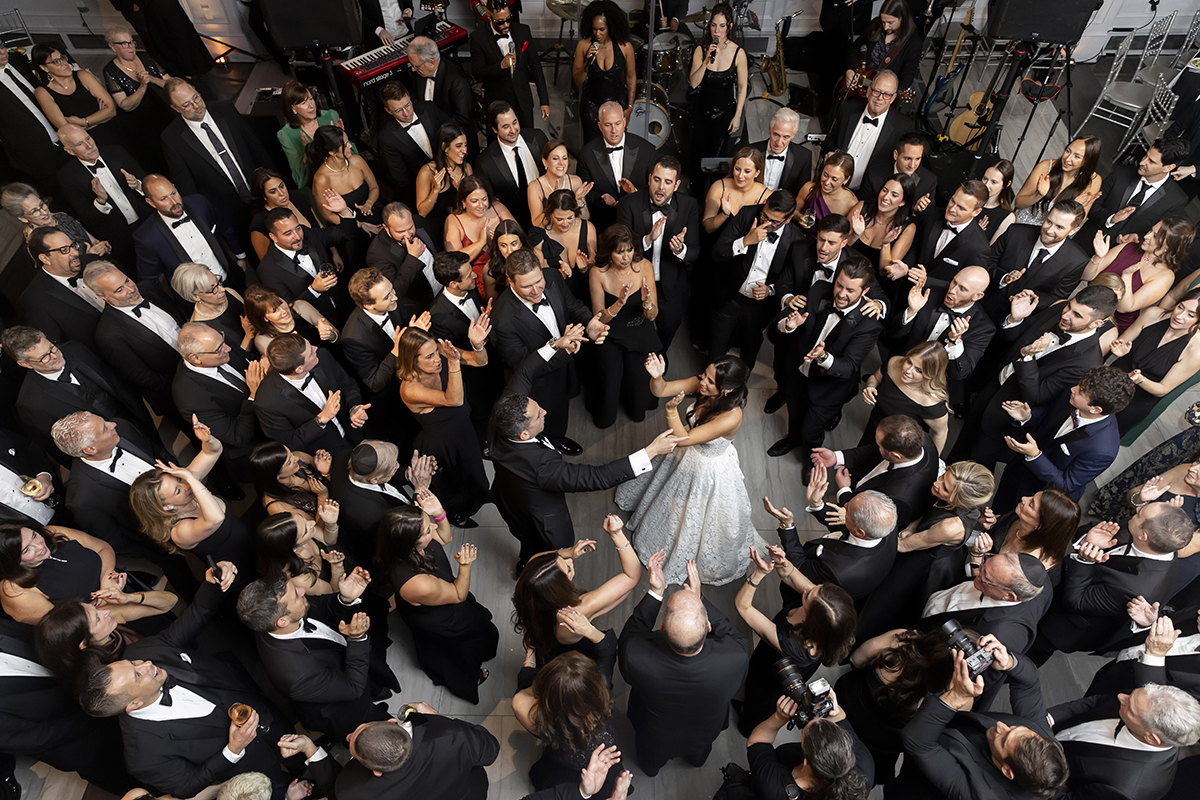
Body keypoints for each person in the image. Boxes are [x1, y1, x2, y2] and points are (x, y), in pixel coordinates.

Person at [76, 564, 300, 800]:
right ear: (134, 704)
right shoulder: (144, 757)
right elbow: (188, 785)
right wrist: (232, 750)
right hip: (250, 766)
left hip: (259, 706)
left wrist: (214, 580)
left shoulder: (142, 651)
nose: (146, 664)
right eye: (138, 675)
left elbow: (196, 615)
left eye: (133, 664)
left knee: (302, 754)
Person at [489, 392, 679, 570]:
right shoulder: (542, 467)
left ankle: (525, 563)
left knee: (526, 539)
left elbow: (523, 375)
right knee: (551, 554)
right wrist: (652, 451)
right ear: (524, 435)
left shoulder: (500, 422)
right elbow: (597, 477)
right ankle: (536, 571)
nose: (544, 411)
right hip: (542, 520)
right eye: (539, 414)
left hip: (507, 498)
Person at [616, 354, 760, 585]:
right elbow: (661, 390)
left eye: (710, 381)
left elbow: (683, 439)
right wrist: (657, 377)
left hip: (706, 468)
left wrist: (672, 411)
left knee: (687, 514)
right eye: (704, 375)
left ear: (727, 389)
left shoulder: (732, 416)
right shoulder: (702, 385)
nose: (702, 382)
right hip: (685, 452)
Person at [949, 286, 1118, 469]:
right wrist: (1015, 319)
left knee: (973, 467)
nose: (1066, 315)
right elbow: (1015, 338)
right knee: (958, 448)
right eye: (1069, 306)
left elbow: (1035, 396)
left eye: (1077, 315)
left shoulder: (1086, 363)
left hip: (1007, 414)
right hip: (991, 387)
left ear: (1096, 324)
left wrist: (1028, 357)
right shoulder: (1058, 310)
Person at [618, 553, 750, 777]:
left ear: (661, 626)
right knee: (699, 756)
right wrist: (699, 597)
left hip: (655, 734)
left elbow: (631, 634)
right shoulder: (735, 656)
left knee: (650, 764)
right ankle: (696, 761)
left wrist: (656, 591)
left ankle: (651, 770)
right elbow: (731, 633)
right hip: (704, 731)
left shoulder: (635, 657)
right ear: (709, 627)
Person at [50, 412, 201, 598]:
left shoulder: (122, 427)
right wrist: (156, 551)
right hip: (158, 539)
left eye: (105, 422)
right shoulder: (82, 499)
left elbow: (158, 453)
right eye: (104, 429)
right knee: (183, 575)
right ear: (90, 449)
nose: (112, 424)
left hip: (191, 502)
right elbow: (116, 540)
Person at [236, 567, 394, 739]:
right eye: (296, 595)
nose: (302, 591)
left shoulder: (277, 616)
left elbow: (320, 605)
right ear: (283, 621)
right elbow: (353, 687)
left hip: (346, 667)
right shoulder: (298, 676)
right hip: (344, 710)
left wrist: (344, 599)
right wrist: (357, 639)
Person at [894, 644, 1069, 800]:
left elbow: (918, 742)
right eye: (1015, 728)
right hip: (950, 728)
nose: (1000, 726)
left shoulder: (981, 794)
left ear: (1007, 771)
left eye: (1004, 738)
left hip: (919, 783)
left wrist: (956, 697)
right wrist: (1008, 662)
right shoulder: (1045, 745)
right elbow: (1029, 683)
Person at [1032, 503, 1194, 662]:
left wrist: (1085, 560)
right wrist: (1087, 541)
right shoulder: (1143, 530)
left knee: (1031, 649)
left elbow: (1076, 601)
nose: (1137, 509)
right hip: (1052, 581)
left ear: (1143, 536)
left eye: (1140, 513)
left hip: (1061, 622)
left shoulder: (1137, 588)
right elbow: (1091, 529)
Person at [375, 501, 498, 703]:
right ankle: (468, 677)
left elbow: (444, 537)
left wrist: (440, 513)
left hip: (440, 595)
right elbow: (458, 594)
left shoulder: (405, 548)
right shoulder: (418, 584)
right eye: (427, 530)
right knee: (458, 647)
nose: (433, 526)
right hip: (440, 616)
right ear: (410, 543)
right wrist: (465, 566)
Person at [768, 256, 884, 466]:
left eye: (850, 290)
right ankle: (792, 440)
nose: (841, 294)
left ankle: (810, 462)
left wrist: (823, 357)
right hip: (797, 372)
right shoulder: (819, 289)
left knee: (811, 431)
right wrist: (788, 324)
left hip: (829, 388)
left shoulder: (869, 324)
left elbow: (849, 367)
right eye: (839, 285)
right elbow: (783, 318)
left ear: (865, 291)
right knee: (794, 414)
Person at [490, 249, 608, 453]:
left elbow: (573, 306)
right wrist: (565, 351)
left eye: (538, 281)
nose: (536, 291)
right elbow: (524, 368)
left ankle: (557, 439)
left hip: (565, 368)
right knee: (545, 420)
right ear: (510, 282)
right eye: (527, 286)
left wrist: (589, 323)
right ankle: (549, 450)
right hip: (539, 384)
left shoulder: (552, 276)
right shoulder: (502, 320)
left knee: (561, 411)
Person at [734, 552, 857, 736]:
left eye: (808, 596)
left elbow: (743, 606)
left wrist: (758, 574)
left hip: (772, 676)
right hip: (770, 654)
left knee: (759, 700)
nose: (807, 589)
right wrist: (781, 562)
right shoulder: (823, 604)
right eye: (816, 587)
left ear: (810, 620)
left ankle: (747, 725)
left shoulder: (794, 646)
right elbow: (790, 574)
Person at [5, 325, 156, 464]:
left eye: (52, 348)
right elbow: (62, 451)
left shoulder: (75, 349)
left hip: (138, 420)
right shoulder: (31, 403)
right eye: (44, 357)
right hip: (114, 452)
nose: (54, 356)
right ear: (25, 364)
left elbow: (115, 381)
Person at [511, 514, 640, 676]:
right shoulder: (579, 608)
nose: (569, 561)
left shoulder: (528, 584)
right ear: (560, 587)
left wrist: (568, 552)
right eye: (567, 568)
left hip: (544, 639)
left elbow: (535, 559)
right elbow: (632, 576)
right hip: (571, 654)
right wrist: (616, 534)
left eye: (562, 559)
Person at [994, 367, 1135, 511]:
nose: (1073, 389)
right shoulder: (1074, 395)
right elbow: (1050, 411)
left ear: (1095, 409)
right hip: (1019, 469)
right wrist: (1028, 416)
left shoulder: (1103, 450)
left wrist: (1035, 455)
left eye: (1080, 392)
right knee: (998, 507)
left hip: (1039, 495)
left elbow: (1066, 485)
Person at [397, 327, 488, 528]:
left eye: (436, 352)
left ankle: (476, 497)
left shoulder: (441, 353)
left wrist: (477, 344)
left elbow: (479, 361)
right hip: (443, 444)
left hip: (464, 432)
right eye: (429, 356)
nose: (438, 359)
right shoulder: (410, 388)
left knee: (477, 479)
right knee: (455, 485)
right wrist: (453, 362)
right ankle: (455, 514)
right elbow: (454, 400)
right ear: (413, 361)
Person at [834, 628, 953, 781]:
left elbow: (856, 659)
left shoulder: (901, 641)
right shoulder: (946, 699)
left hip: (848, 704)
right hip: (880, 746)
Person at [1050, 683, 1200, 800]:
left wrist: (1039, 754)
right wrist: (1049, 719)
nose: (1121, 697)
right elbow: (1096, 702)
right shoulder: (1140, 700)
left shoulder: (1125, 790)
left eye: (1131, 710)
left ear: (1151, 738)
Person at [160, 78, 272, 230]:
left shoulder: (225, 109)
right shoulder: (172, 138)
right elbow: (186, 185)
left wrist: (273, 180)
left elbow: (254, 147)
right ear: (175, 108)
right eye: (186, 105)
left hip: (262, 193)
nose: (196, 106)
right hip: (227, 213)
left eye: (196, 97)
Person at [614, 157, 699, 355]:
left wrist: (680, 250)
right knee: (633, 330)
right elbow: (618, 249)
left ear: (676, 185)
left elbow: (695, 251)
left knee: (668, 327)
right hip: (635, 281)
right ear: (650, 178)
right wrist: (647, 239)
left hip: (670, 284)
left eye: (668, 182)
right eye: (657, 180)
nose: (661, 187)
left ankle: (658, 358)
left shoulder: (689, 205)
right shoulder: (628, 204)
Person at [84, 259, 187, 422]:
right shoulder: (108, 335)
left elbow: (180, 318)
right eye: (119, 290)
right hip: (176, 394)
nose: (131, 289)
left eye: (127, 281)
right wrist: (189, 380)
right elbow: (144, 378)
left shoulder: (149, 288)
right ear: (102, 296)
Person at [709, 190, 803, 369]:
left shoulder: (796, 240)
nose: (766, 223)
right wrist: (745, 241)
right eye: (764, 216)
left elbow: (791, 281)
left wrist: (770, 290)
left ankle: (740, 383)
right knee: (717, 346)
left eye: (774, 222)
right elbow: (717, 252)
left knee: (749, 350)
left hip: (760, 307)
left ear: (788, 219)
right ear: (764, 203)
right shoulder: (747, 214)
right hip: (730, 295)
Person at [513, 650, 624, 796]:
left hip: (559, 760)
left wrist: (531, 659)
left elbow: (523, 693)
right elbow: (607, 651)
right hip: (598, 763)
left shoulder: (532, 714)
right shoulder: (602, 728)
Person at [770, 480, 899, 603]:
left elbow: (800, 564)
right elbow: (849, 524)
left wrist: (787, 525)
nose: (844, 506)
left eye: (847, 511)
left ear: (859, 532)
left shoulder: (837, 571)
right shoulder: (886, 523)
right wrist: (817, 505)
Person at [326, 709, 499, 800]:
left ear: (377, 771)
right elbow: (491, 751)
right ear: (391, 722)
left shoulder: (351, 792)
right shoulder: (452, 736)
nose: (348, 737)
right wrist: (436, 716)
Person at [129, 449, 256, 571]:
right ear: (166, 506)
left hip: (252, 540)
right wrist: (190, 478)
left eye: (179, 479)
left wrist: (208, 439)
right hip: (239, 566)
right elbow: (216, 519)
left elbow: (212, 451)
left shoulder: (189, 488)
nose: (185, 486)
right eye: (178, 491)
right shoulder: (179, 532)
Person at [888, 265, 994, 411]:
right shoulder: (930, 292)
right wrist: (911, 311)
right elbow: (892, 333)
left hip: (929, 392)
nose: (952, 290)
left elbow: (960, 373)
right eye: (954, 282)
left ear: (977, 296)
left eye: (962, 289)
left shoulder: (983, 327)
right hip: (901, 370)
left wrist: (954, 341)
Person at [34, 585, 180, 688]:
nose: (105, 612)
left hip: (170, 652)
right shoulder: (106, 674)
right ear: (83, 643)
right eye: (97, 619)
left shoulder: (104, 618)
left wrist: (129, 597)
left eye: (95, 609)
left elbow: (171, 601)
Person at [811, 414, 939, 532]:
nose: (877, 446)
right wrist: (837, 457)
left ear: (896, 455)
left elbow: (861, 522)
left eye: (880, 445)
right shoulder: (919, 439)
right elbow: (873, 450)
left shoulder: (900, 498)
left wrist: (844, 490)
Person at [587, 225, 660, 428]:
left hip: (638, 326)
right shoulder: (597, 273)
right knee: (610, 377)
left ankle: (636, 407)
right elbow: (599, 319)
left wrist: (647, 303)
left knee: (638, 376)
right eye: (620, 252)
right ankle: (606, 415)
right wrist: (619, 303)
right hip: (609, 331)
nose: (626, 257)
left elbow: (653, 316)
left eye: (629, 250)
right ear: (609, 252)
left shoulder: (644, 266)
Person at [429, 250, 505, 446]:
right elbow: (452, 354)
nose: (475, 276)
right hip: (473, 375)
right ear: (453, 284)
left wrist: (486, 317)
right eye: (469, 275)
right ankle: (483, 444)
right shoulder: (437, 316)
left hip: (493, 359)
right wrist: (476, 344)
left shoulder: (469, 289)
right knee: (483, 412)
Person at [173, 322, 265, 482]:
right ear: (196, 358)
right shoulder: (191, 400)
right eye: (219, 349)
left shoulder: (218, 343)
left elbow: (249, 360)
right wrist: (253, 395)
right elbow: (238, 436)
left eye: (223, 341)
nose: (228, 348)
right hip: (256, 445)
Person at [256, 192, 359, 326]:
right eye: (288, 233)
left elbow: (345, 234)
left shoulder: (308, 234)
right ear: (273, 237)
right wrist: (314, 290)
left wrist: (344, 211)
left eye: (297, 228)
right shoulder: (267, 270)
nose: (297, 236)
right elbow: (289, 310)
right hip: (318, 323)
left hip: (345, 304)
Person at [254, 334, 368, 454]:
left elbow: (347, 384)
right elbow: (289, 442)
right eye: (310, 353)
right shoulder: (267, 402)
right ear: (299, 369)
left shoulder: (322, 356)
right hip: (327, 454)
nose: (315, 348)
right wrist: (321, 419)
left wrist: (353, 406)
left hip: (355, 434)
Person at [134, 173, 249, 291]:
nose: (173, 202)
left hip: (230, 280)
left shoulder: (199, 203)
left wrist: (240, 257)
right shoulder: (147, 238)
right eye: (164, 199)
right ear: (151, 202)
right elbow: (149, 281)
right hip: (197, 296)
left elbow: (225, 228)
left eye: (173, 193)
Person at [982, 200, 1091, 324]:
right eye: (1049, 221)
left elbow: (1057, 297)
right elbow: (986, 261)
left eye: (1059, 227)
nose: (1049, 230)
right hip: (984, 302)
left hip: (1020, 322)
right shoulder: (1015, 232)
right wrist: (1003, 277)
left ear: (1073, 230)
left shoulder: (1077, 261)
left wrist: (1031, 298)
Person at [1109, 287, 1200, 434]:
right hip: (1111, 378)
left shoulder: (1196, 350)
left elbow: (1162, 389)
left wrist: (1139, 379)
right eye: (1180, 307)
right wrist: (1119, 349)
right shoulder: (1153, 314)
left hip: (1137, 399)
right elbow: (1123, 341)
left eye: (1190, 315)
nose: (1179, 316)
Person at [748, 694, 874, 800]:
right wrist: (830, 707)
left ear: (806, 760)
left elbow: (757, 742)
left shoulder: (776, 790)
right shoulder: (863, 767)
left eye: (804, 733)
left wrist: (779, 717)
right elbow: (840, 718)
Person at [1084, 216, 1194, 332]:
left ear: (1168, 247)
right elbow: (1086, 276)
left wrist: (1127, 276)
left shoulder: (1165, 276)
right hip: (1086, 304)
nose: (1146, 236)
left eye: (1155, 236)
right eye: (1150, 230)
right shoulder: (1128, 247)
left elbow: (1124, 308)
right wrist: (1098, 257)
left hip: (1109, 326)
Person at [342, 267, 414, 442]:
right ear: (368, 305)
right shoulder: (354, 338)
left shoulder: (392, 300)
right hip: (393, 401)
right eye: (387, 297)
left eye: (392, 291)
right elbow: (374, 383)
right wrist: (397, 350)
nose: (395, 297)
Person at [55, 123, 147, 260]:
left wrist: (138, 185)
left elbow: (151, 184)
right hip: (120, 239)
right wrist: (100, 200)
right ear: (70, 151)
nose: (89, 146)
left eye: (88, 138)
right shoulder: (68, 177)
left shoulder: (116, 152)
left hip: (148, 220)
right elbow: (87, 219)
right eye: (80, 144)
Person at [0, 521, 121, 624]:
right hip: (104, 622)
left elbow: (103, 548)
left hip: (118, 588)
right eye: (26, 550)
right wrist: (106, 598)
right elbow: (65, 628)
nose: (39, 546)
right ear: (11, 561)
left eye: (34, 536)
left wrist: (107, 581)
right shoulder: (14, 590)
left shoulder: (52, 533)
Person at [1081, 137, 1190, 249]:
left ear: (1168, 167)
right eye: (1146, 155)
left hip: (1123, 253)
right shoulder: (1122, 172)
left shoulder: (1176, 200)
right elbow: (1091, 205)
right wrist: (1110, 219)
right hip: (1086, 240)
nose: (1142, 162)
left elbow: (1162, 237)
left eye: (1151, 161)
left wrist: (1139, 238)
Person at [822, 69, 913, 192]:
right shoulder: (847, 108)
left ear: (893, 98)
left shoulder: (903, 126)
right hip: (831, 184)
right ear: (869, 91)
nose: (880, 98)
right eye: (877, 91)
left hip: (868, 193)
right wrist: (830, 152)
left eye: (887, 94)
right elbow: (831, 138)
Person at [895, 180, 989, 296]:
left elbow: (968, 288)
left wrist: (927, 281)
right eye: (952, 200)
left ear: (976, 212)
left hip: (937, 300)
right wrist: (906, 267)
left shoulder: (979, 248)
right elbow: (916, 246)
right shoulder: (933, 215)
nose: (952, 209)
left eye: (961, 208)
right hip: (904, 289)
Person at [687, 4, 749, 178]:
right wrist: (706, 62)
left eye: (722, 26)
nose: (717, 31)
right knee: (698, 154)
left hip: (724, 113)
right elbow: (693, 83)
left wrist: (737, 115)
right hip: (702, 111)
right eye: (713, 25)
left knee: (719, 159)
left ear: (729, 27)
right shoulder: (700, 50)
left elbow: (742, 88)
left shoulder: (738, 53)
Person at [19, 226, 104, 352]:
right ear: (45, 258)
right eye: (64, 250)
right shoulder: (35, 299)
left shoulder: (92, 261)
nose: (75, 253)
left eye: (73, 245)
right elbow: (60, 346)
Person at [101, 23, 171, 171]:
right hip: (140, 124)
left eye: (131, 42)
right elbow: (124, 105)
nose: (131, 47)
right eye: (124, 44)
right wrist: (142, 86)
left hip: (163, 113)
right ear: (113, 47)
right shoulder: (110, 71)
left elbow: (170, 83)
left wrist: (152, 79)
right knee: (156, 160)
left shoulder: (144, 56)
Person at [577, 101, 655, 233]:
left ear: (624, 122)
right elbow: (584, 191)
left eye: (617, 124)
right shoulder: (586, 154)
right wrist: (602, 199)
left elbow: (655, 186)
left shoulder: (646, 149)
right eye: (608, 125)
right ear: (600, 126)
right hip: (602, 224)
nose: (614, 130)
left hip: (638, 223)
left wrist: (635, 192)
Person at [309, 125, 381, 268]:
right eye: (346, 145)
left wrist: (368, 203)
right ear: (332, 152)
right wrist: (359, 224)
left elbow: (374, 187)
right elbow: (327, 215)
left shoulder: (357, 161)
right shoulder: (322, 179)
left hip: (371, 216)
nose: (350, 146)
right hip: (349, 231)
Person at [470, 0, 549, 129]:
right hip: (497, 102)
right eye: (500, 22)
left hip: (523, 101)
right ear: (490, 17)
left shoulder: (523, 31)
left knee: (527, 137)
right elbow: (478, 74)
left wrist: (544, 101)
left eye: (508, 19)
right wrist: (500, 66)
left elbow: (536, 67)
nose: (506, 25)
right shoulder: (478, 38)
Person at [860, 342, 950, 451]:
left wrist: (932, 459)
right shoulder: (894, 363)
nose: (908, 371)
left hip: (900, 447)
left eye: (918, 370)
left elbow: (941, 433)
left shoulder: (930, 401)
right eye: (909, 362)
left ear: (930, 375)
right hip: (874, 427)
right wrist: (870, 386)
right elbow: (875, 378)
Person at [276, 80, 354, 202]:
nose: (311, 105)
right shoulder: (286, 135)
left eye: (311, 99)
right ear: (293, 108)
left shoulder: (330, 115)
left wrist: (340, 138)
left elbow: (354, 154)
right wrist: (308, 152)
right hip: (322, 189)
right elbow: (300, 179)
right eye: (303, 103)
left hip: (346, 176)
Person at [477, 102, 549, 233]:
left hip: (548, 220)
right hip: (516, 228)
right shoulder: (485, 162)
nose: (513, 130)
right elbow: (489, 202)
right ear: (494, 129)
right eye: (505, 126)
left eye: (514, 122)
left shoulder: (538, 138)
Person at [32, 45, 121, 148]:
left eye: (62, 58)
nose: (64, 63)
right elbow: (68, 131)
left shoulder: (82, 75)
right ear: (44, 68)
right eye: (56, 61)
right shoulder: (42, 92)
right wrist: (101, 117)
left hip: (113, 133)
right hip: (85, 146)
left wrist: (83, 122)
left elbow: (112, 110)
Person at [0, 47, 66, 186]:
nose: (2, 52)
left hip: (65, 136)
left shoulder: (17, 60)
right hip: (36, 154)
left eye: (1, 46)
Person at [445, 174, 516, 297]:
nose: (481, 205)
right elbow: (454, 262)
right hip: (477, 281)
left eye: (484, 199)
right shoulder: (453, 220)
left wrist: (498, 244)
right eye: (474, 201)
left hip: (510, 269)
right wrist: (481, 242)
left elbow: (519, 238)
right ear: (463, 202)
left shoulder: (498, 207)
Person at [573, 0, 635, 140]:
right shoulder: (583, 45)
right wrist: (587, 63)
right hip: (592, 104)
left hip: (617, 103)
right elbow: (577, 80)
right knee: (592, 144)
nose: (597, 34)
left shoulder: (625, 47)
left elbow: (631, 77)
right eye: (594, 29)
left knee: (615, 142)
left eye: (602, 29)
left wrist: (630, 107)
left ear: (611, 27)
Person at [377, 80, 442, 208]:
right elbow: (402, 178)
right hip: (422, 188)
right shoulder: (386, 136)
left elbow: (451, 136)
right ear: (388, 111)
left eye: (407, 105)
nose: (406, 113)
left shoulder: (429, 108)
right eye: (398, 110)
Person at [367, 202, 440, 317]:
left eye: (410, 228)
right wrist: (412, 258)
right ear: (386, 228)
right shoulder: (377, 254)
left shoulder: (419, 221)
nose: (408, 235)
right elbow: (395, 291)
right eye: (400, 232)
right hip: (421, 306)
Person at [1012, 135, 1103, 226]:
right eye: (1068, 151)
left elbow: (1077, 222)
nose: (1067, 159)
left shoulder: (1094, 180)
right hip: (1023, 225)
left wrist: (1075, 207)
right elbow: (1018, 203)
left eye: (1077, 156)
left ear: (1088, 161)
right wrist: (1038, 195)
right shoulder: (1046, 167)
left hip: (1053, 232)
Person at [2, 180, 109, 257]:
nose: (44, 212)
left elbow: (92, 240)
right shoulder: (40, 244)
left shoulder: (62, 217)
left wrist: (101, 245)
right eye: (35, 211)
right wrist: (89, 257)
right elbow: (68, 274)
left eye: (42, 204)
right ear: (23, 219)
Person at [254, 510, 345, 596]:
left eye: (304, 519)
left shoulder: (302, 533)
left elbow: (328, 541)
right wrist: (337, 565)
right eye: (305, 531)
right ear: (293, 547)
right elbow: (335, 593)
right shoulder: (300, 579)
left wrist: (331, 524)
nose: (312, 523)